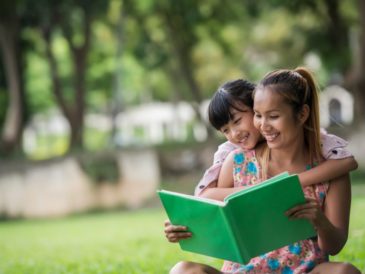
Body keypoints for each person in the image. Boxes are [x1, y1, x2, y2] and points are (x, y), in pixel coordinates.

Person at [165, 70, 360, 273]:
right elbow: (219, 219)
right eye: (258, 115)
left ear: (302, 114)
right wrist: (185, 227)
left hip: (304, 269)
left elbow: (334, 246)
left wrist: (319, 220)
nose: (264, 125)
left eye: (273, 116)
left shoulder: (329, 170)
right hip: (243, 271)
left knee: (344, 271)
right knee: (183, 270)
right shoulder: (237, 162)